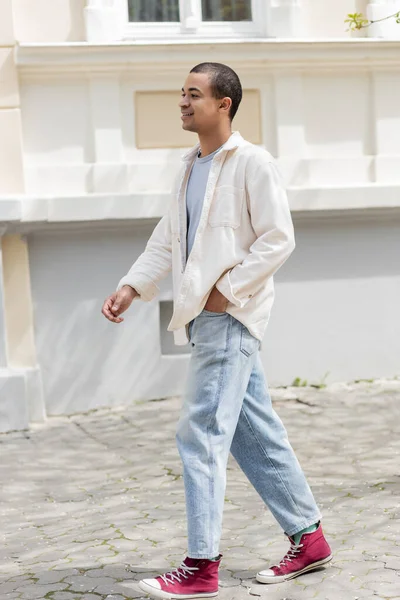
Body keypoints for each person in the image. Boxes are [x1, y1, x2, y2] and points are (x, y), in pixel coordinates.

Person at [101, 62, 332, 600]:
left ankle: (201, 566)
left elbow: (278, 238)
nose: (183, 103)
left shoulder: (252, 162)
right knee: (255, 435)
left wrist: (231, 289)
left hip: (230, 315)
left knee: (200, 433)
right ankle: (309, 538)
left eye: (194, 94)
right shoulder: (191, 166)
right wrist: (132, 287)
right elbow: (168, 237)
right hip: (204, 317)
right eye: (181, 94)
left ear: (224, 103)